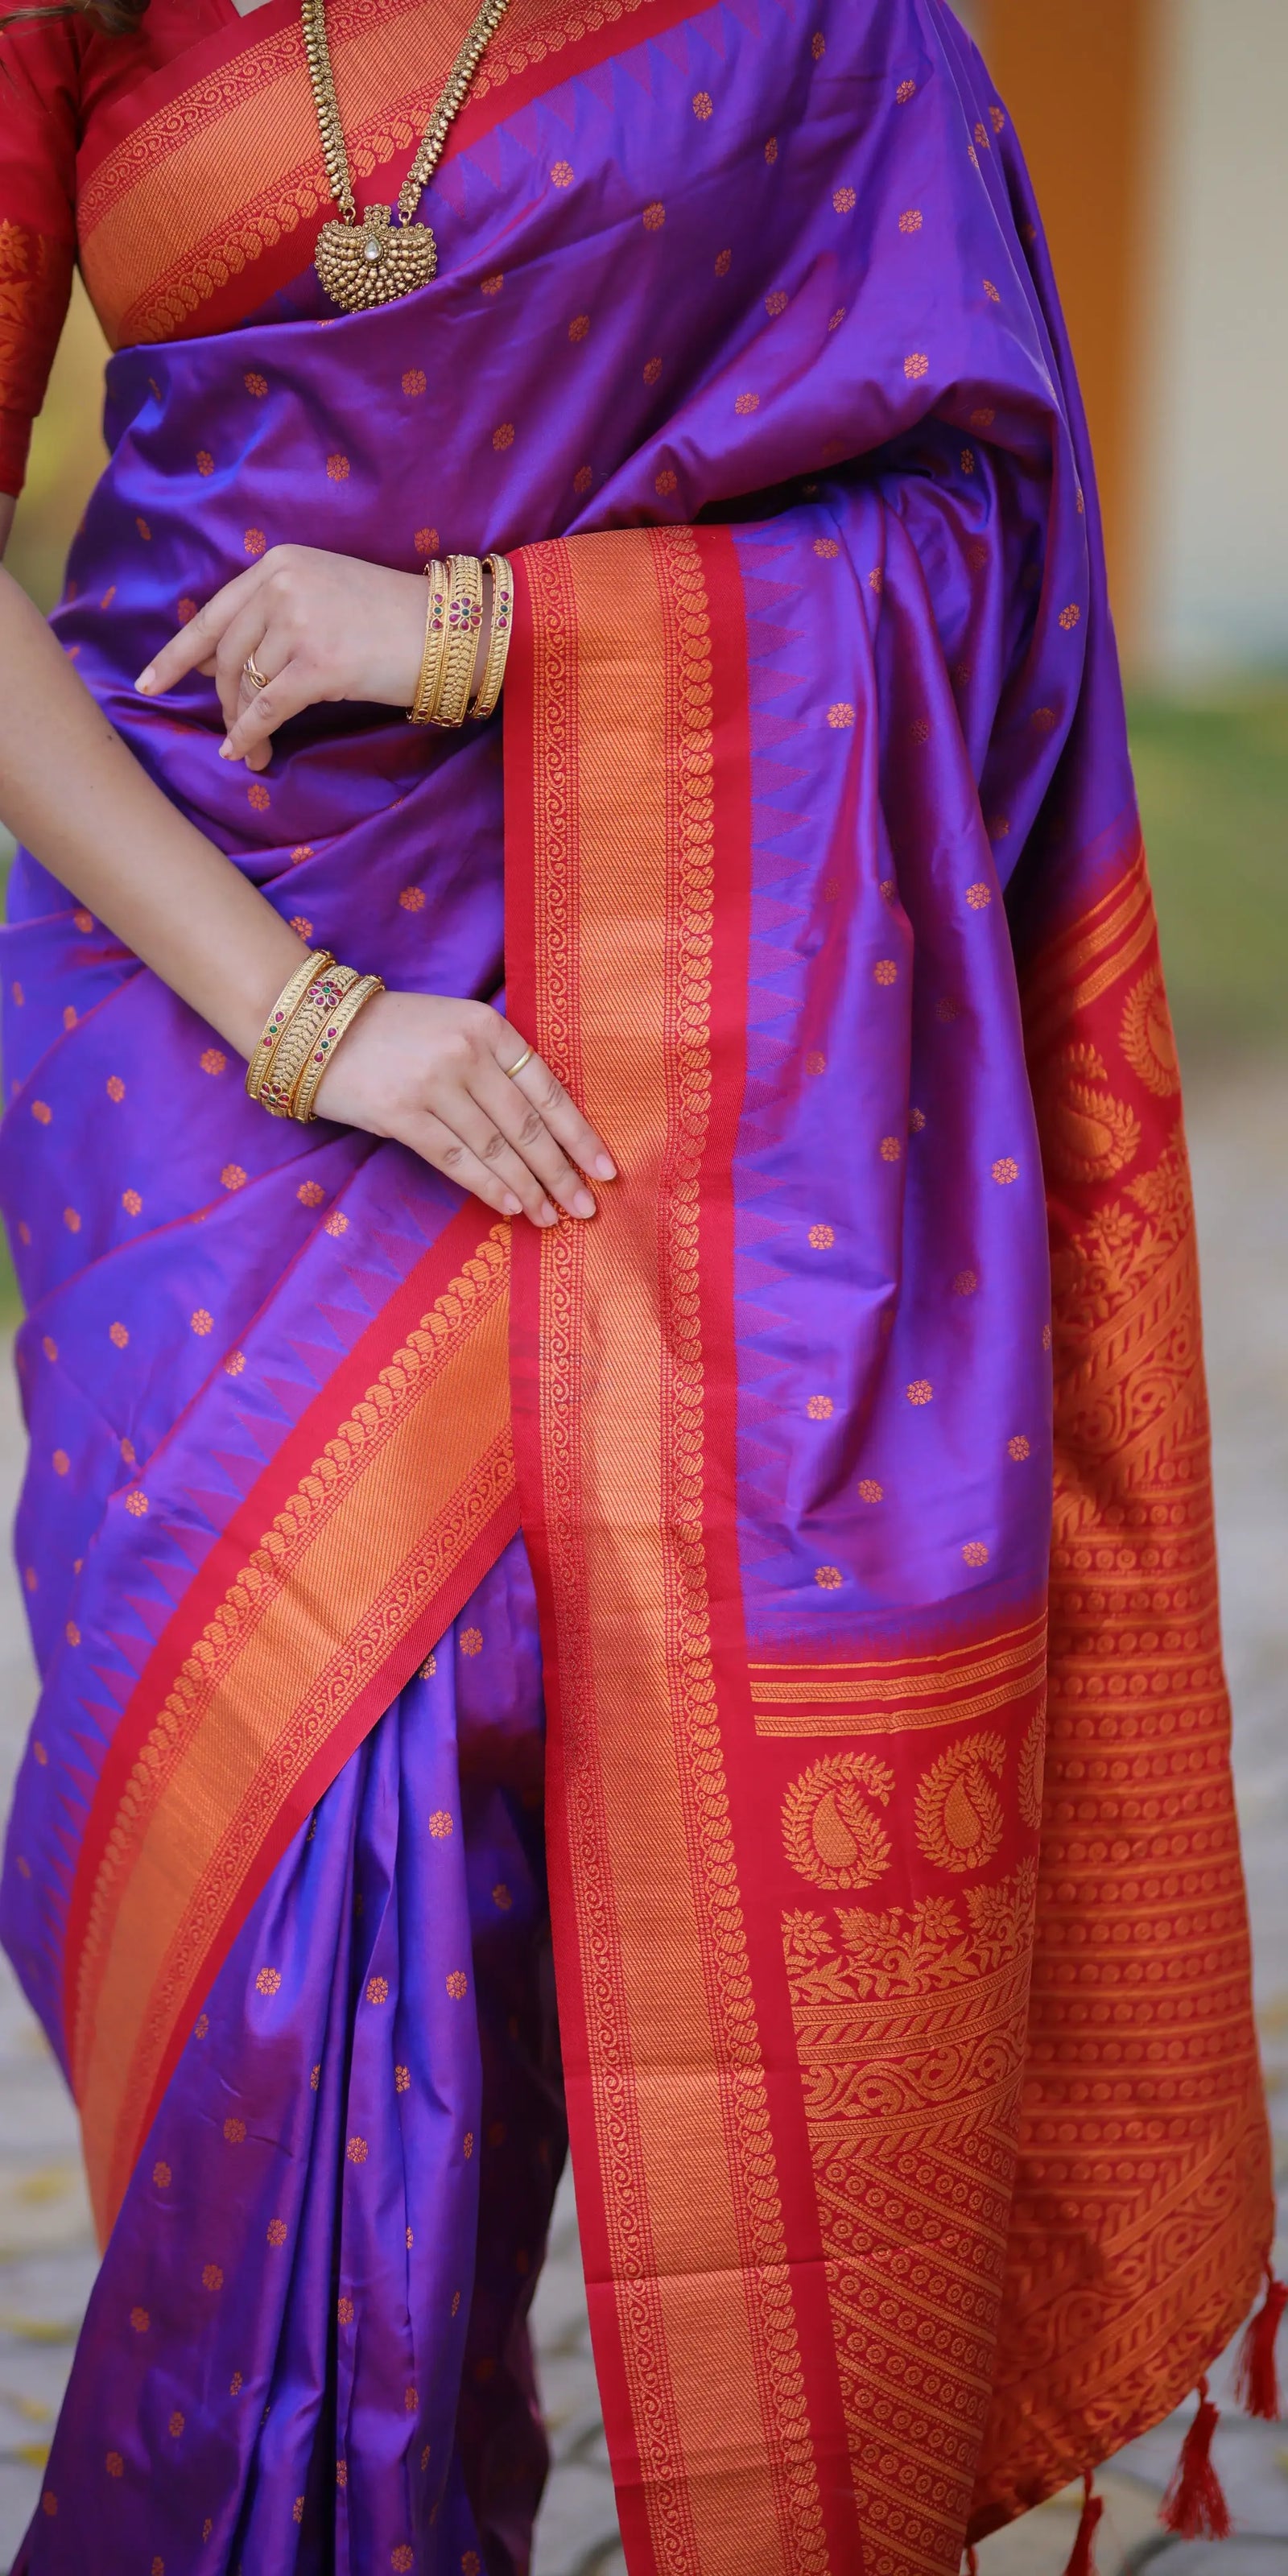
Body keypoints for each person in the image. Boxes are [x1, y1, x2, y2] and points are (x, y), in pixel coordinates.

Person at [0, 0, 1275, 2569]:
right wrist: (308, 1017)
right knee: (265, 1868)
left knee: (502, 1776)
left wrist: (483, 634)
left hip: (683, 972)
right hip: (176, 973)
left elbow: (977, 539)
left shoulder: (820, 34)